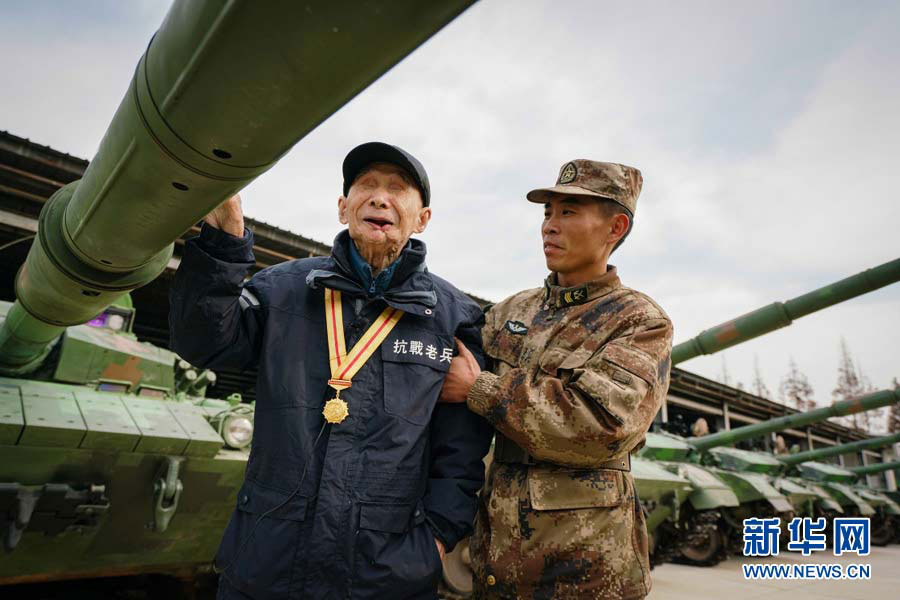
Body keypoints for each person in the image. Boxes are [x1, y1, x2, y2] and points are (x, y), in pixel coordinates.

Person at [170, 142, 493, 599]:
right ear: (344, 208)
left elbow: (460, 456)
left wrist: (434, 544)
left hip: (386, 575)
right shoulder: (280, 290)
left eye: (397, 189)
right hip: (266, 562)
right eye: (366, 187)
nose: (379, 198)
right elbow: (203, 344)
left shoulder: (453, 318)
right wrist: (223, 248)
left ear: (423, 219)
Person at [439, 160, 673, 599]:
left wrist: (481, 390)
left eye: (568, 212)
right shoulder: (511, 312)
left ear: (615, 227)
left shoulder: (638, 321)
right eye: (547, 214)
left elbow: (602, 426)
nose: (550, 226)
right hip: (493, 563)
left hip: (584, 571)